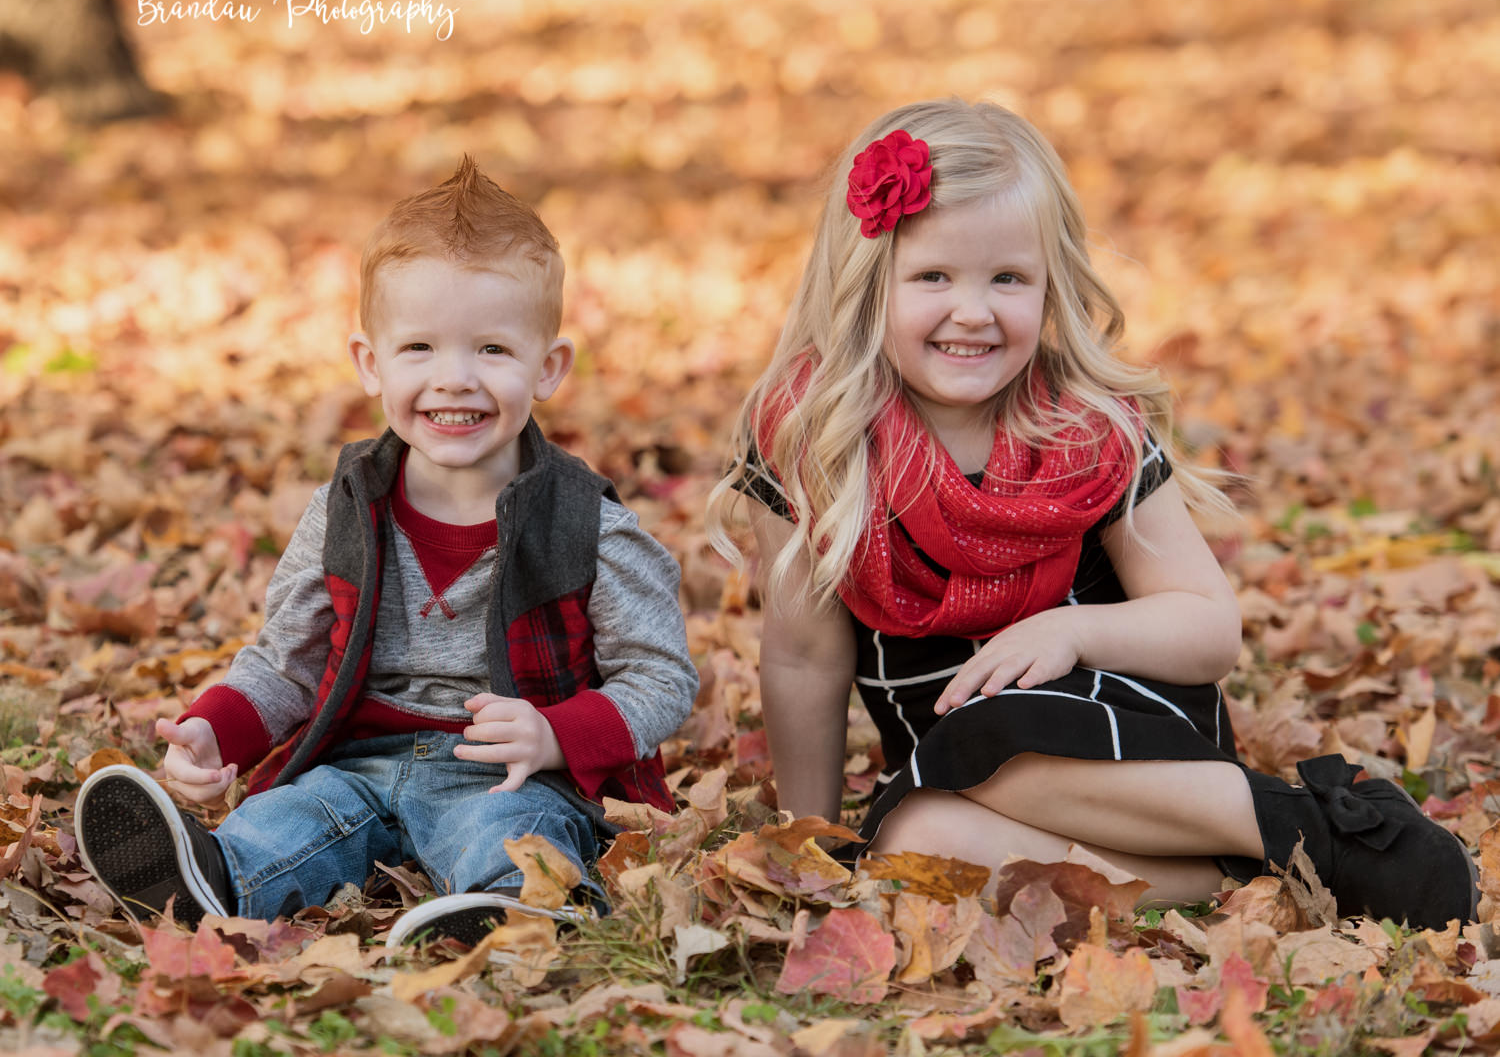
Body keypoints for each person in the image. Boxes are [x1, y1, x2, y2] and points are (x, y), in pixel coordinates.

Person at [707, 98, 1476, 930]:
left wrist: (1069, 635)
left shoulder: (1084, 431)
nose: (973, 312)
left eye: (1008, 278)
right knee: (912, 843)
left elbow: (1207, 625)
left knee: (988, 737)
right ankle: (1264, 871)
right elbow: (803, 660)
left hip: (1127, 734)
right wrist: (809, 841)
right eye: (933, 277)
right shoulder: (811, 438)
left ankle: (1302, 818)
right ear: (865, 284)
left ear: (1051, 284)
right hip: (954, 767)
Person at [76, 157, 698, 946]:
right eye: (420, 350)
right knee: (287, 818)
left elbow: (663, 677)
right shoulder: (346, 509)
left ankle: (519, 910)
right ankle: (209, 880)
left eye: (494, 351)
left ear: (549, 367)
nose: (456, 380)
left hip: (509, 771)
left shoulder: (587, 525)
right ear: (371, 363)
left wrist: (557, 735)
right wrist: (214, 730)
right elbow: (286, 661)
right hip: (358, 763)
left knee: (512, 830)